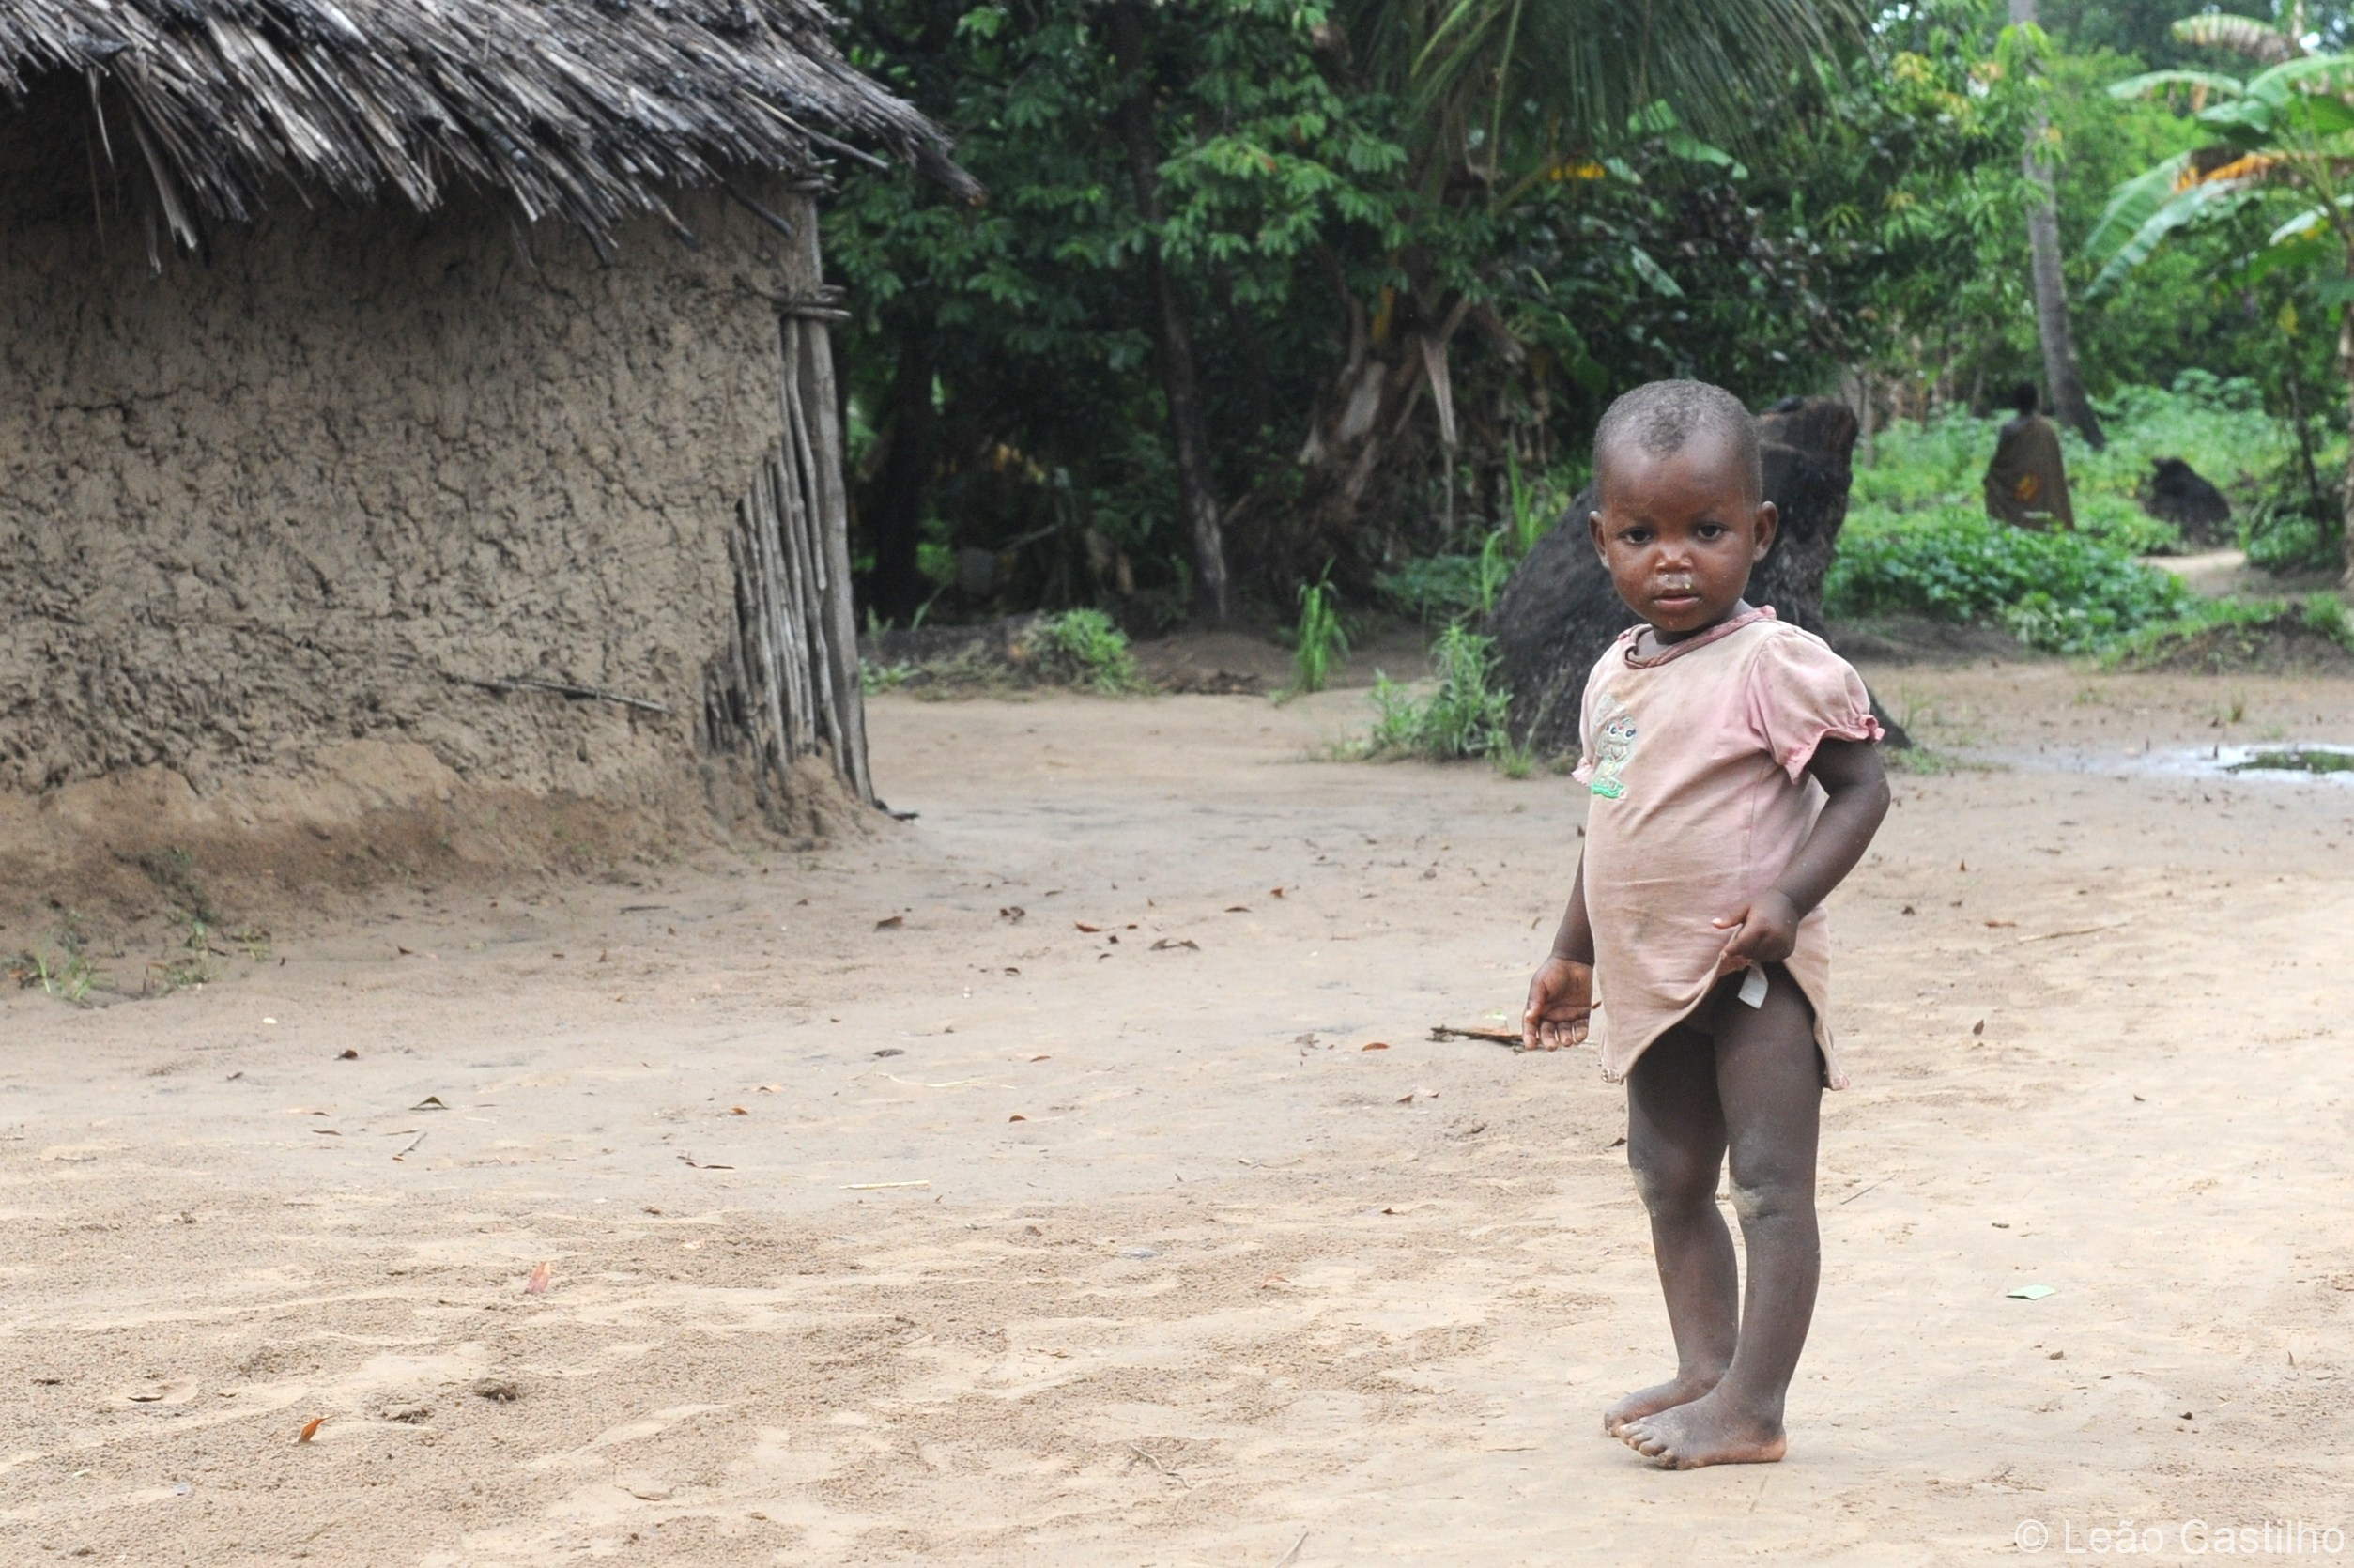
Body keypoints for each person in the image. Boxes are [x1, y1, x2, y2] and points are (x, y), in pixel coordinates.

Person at [1521, 379, 1891, 1469]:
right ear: (1599, 541)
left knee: (1769, 1186)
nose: (1671, 558)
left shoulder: (1772, 665)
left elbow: (1861, 785)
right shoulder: (1610, 675)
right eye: (1641, 533)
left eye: (1706, 529)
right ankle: (1703, 1364)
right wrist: (1569, 949)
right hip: (1646, 977)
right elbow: (1606, 818)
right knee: (1667, 1175)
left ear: (1759, 531)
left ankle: (1754, 1406)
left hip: (1752, 973)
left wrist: (1786, 901)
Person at [1983, 382, 2074, 530]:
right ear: (2036, 401)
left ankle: (2012, 524)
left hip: (2020, 484)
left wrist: (1991, 478)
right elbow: (2054, 467)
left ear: (2016, 401)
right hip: (2039, 485)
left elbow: (2000, 462)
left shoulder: (2009, 428)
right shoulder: (2047, 428)